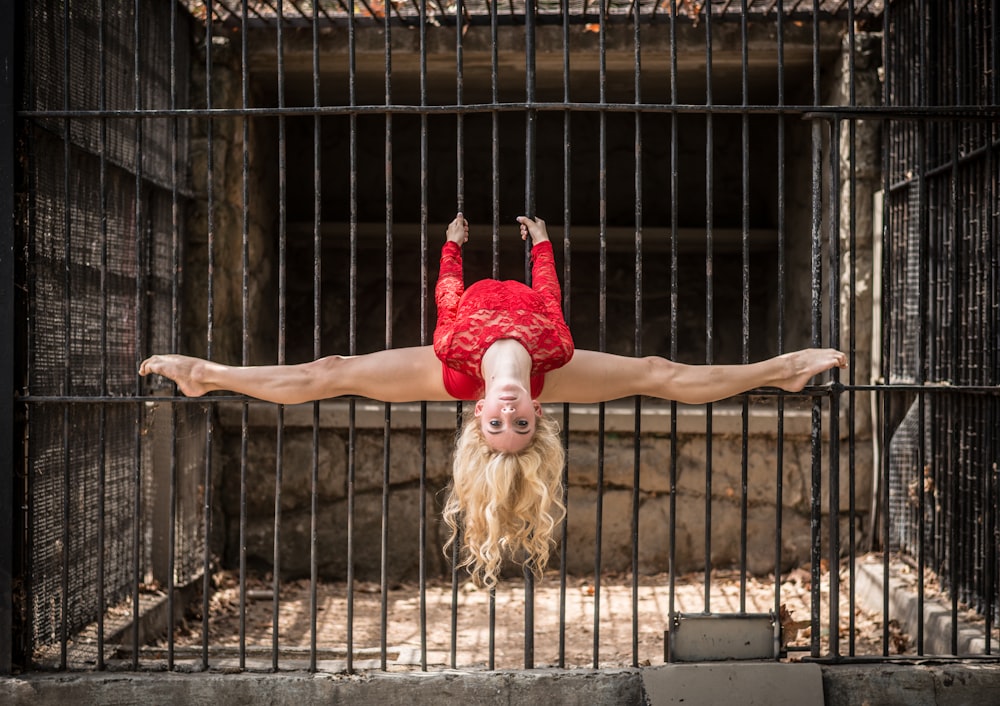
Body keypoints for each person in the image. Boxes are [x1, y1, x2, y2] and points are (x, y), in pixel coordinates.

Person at [140, 213, 847, 587]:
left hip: (456, 359)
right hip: (538, 345)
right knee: (657, 369)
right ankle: (781, 370)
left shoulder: (455, 365)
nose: (509, 407)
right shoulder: (554, 362)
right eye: (521, 420)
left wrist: (452, 250)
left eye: (498, 420)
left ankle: (205, 373)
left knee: (333, 369)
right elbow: (548, 298)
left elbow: (448, 296)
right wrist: (542, 247)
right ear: (538, 411)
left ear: (480, 413)